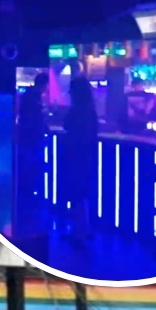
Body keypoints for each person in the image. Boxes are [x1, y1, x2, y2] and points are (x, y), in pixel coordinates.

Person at [60, 76, 99, 239]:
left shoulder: (76, 111)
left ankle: (79, 231)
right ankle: (83, 229)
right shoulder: (90, 111)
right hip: (86, 156)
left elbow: (66, 125)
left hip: (75, 156)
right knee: (82, 193)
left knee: (76, 193)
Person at [15, 72, 50, 236]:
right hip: (31, 139)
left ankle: (27, 196)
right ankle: (28, 195)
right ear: (43, 85)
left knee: (30, 167)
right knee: (31, 167)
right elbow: (33, 120)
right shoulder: (33, 98)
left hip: (29, 139)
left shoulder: (30, 97)